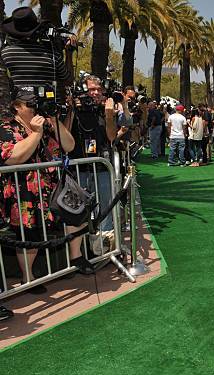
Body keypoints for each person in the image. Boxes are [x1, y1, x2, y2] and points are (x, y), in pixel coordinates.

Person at [0, 89, 80, 295]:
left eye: (38, 104)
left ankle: (76, 259)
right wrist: (36, 134)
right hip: (23, 191)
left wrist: (54, 119)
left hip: (50, 187)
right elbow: (13, 157)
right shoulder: (7, 126)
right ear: (17, 106)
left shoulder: (46, 123)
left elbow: (69, 145)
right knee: (29, 233)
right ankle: (28, 276)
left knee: (73, 214)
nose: (36, 109)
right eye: (30, 105)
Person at [68, 74, 124, 259]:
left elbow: (111, 137)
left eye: (99, 90)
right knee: (78, 211)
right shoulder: (75, 109)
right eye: (91, 89)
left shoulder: (104, 110)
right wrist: (70, 109)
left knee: (106, 210)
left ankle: (105, 252)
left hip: (102, 167)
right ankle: (80, 254)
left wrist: (109, 115)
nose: (95, 93)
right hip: (79, 169)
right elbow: (65, 134)